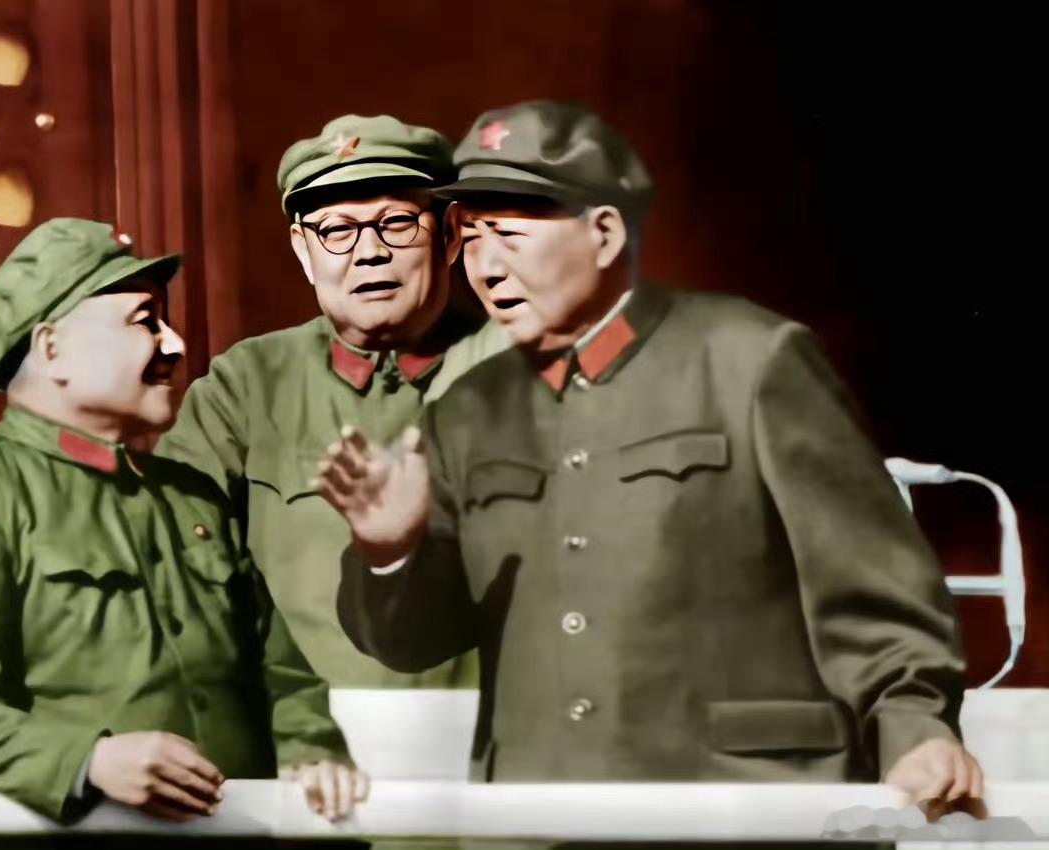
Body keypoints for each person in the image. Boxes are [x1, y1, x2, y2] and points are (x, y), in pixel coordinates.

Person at [322, 101, 983, 802]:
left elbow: (871, 582)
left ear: (604, 234)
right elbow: (414, 643)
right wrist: (389, 552)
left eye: (509, 236)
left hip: (746, 812)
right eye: (471, 236)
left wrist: (916, 730)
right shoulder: (467, 409)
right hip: (542, 818)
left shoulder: (751, 362)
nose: (485, 267)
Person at [0, 218, 365, 825]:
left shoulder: (192, 499)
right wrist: (88, 762)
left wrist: (311, 748)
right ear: (52, 349)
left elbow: (281, 673)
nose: (174, 344)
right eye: (145, 321)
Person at [156, 115, 508, 688]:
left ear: (450, 234)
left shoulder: (516, 369)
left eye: (396, 223)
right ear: (303, 250)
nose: (368, 253)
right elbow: (170, 569)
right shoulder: (246, 386)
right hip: (300, 733)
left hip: (489, 733)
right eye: (337, 231)